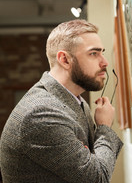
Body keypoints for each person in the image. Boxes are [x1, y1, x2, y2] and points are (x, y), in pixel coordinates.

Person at [0, 19, 123, 183]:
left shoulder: (77, 102)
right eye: (94, 53)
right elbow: (96, 178)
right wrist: (104, 127)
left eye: (102, 52)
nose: (105, 62)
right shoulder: (40, 114)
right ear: (64, 59)